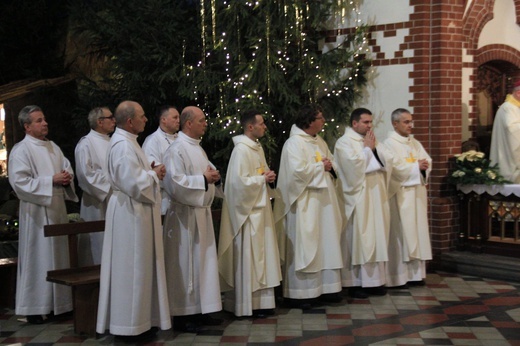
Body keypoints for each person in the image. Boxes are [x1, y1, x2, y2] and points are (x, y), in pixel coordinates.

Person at [96, 101, 171, 340]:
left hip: (136, 212)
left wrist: (148, 171)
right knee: (131, 268)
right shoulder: (122, 146)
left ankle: (140, 322)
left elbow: (135, 174)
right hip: (129, 213)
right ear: (129, 121)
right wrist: (154, 174)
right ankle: (128, 327)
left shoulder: (129, 142)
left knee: (140, 267)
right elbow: (133, 183)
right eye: (142, 116)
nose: (146, 119)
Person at [8, 105, 78, 324]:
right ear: (27, 127)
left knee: (60, 257)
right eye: (38, 121)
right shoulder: (21, 150)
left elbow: (66, 167)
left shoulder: (53, 147)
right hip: (36, 212)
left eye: (44, 119)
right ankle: (35, 308)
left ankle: (62, 305)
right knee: (39, 258)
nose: (45, 123)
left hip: (57, 209)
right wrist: (51, 181)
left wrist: (67, 176)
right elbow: (19, 183)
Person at [273, 104, 343, 309]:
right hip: (304, 203)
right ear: (309, 121)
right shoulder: (293, 143)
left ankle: (327, 288)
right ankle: (302, 293)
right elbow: (295, 173)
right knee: (307, 243)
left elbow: (332, 163)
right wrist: (320, 166)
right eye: (320, 118)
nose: (323, 121)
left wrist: (328, 167)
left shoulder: (319, 141)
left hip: (324, 203)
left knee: (326, 242)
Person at [163, 106, 223, 332]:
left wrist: (212, 178)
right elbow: (174, 183)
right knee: (185, 265)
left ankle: (201, 309)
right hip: (184, 218)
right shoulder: (176, 150)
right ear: (189, 123)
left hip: (201, 214)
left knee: (202, 265)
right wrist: (203, 179)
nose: (205, 123)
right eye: (201, 120)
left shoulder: (198, 149)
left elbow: (206, 174)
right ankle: (182, 314)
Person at [218, 109, 282, 317]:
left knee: (262, 256)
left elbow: (256, 175)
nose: (265, 127)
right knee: (250, 256)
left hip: (259, 210)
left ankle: (262, 303)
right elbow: (237, 185)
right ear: (250, 127)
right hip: (247, 214)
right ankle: (247, 304)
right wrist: (260, 180)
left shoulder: (256, 148)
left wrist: (267, 176)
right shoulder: (241, 150)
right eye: (261, 123)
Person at [334, 107, 391, 298]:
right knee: (359, 237)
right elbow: (352, 167)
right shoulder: (344, 143)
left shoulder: (371, 140)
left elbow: (387, 160)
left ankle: (376, 281)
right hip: (358, 198)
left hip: (375, 195)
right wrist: (368, 150)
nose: (369, 126)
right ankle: (356, 283)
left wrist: (371, 149)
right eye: (365, 122)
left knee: (376, 236)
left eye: (370, 122)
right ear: (354, 123)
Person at [383, 108, 432, 287]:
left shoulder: (414, 143)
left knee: (417, 232)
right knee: (402, 233)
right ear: (395, 124)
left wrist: (423, 166)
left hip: (417, 195)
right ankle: (399, 276)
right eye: (406, 122)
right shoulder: (389, 144)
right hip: (401, 196)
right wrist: (414, 167)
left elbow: (427, 161)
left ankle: (416, 275)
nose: (410, 125)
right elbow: (393, 169)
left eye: (411, 121)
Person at [74, 107, 115, 265]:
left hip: (115, 199)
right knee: (99, 246)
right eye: (110, 117)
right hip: (97, 203)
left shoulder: (113, 141)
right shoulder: (86, 144)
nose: (114, 120)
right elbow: (86, 175)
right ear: (100, 122)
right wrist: (114, 183)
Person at [142, 105, 180, 216]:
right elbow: (155, 169)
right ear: (163, 120)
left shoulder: (179, 139)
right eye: (175, 117)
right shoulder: (152, 141)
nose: (178, 120)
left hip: (181, 197)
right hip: (164, 198)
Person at [490, 79, 520, 183]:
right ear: (518, 93)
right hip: (508, 156)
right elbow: (512, 129)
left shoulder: (515, 107)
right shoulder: (508, 108)